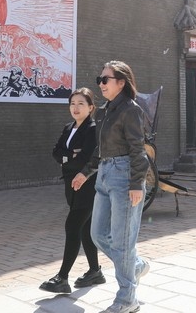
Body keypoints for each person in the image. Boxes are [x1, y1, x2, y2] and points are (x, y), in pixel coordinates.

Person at [72, 61, 150, 313]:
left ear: (121, 82)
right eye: (100, 79)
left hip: (124, 176)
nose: (101, 84)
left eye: (105, 79)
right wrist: (85, 172)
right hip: (105, 174)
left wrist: (136, 183)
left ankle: (127, 299)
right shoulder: (104, 111)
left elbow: (138, 149)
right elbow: (100, 149)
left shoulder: (131, 110)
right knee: (98, 234)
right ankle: (135, 266)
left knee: (122, 241)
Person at [39, 88, 105, 294]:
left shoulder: (92, 129)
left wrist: (69, 159)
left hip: (87, 184)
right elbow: (56, 152)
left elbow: (87, 157)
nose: (75, 108)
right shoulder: (68, 127)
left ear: (91, 107)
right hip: (70, 184)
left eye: (81, 104)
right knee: (85, 228)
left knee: (73, 225)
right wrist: (71, 156)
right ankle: (95, 271)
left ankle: (62, 277)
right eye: (72, 104)